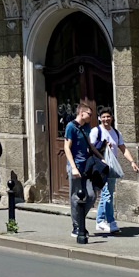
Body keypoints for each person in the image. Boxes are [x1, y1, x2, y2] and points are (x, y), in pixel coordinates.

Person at [89, 106, 139, 234]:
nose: (106, 119)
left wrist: (132, 162)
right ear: (99, 118)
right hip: (101, 167)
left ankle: (110, 221)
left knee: (109, 195)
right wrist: (103, 145)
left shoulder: (116, 133)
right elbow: (90, 148)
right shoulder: (96, 131)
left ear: (112, 118)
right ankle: (100, 221)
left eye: (108, 116)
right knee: (106, 194)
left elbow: (123, 148)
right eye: (103, 117)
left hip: (112, 167)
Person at [63, 101, 95, 237]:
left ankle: (80, 220)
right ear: (82, 113)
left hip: (86, 165)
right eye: (89, 114)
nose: (91, 116)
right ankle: (76, 226)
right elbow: (66, 147)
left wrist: (101, 157)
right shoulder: (70, 127)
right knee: (75, 196)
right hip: (75, 165)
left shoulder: (87, 126)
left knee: (91, 195)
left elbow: (90, 145)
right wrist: (73, 167)